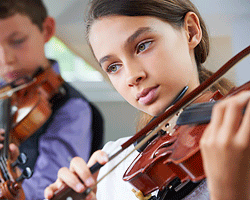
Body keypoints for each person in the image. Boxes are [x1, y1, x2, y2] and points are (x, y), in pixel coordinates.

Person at [44, 0, 250, 200]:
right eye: (113, 67)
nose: (131, 77)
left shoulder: (243, 135)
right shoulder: (115, 164)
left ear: (190, 31)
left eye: (143, 46)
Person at [0, 0, 104, 199]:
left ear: (47, 30)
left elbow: (46, 194)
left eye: (17, 41)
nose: (6, 59)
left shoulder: (72, 110)